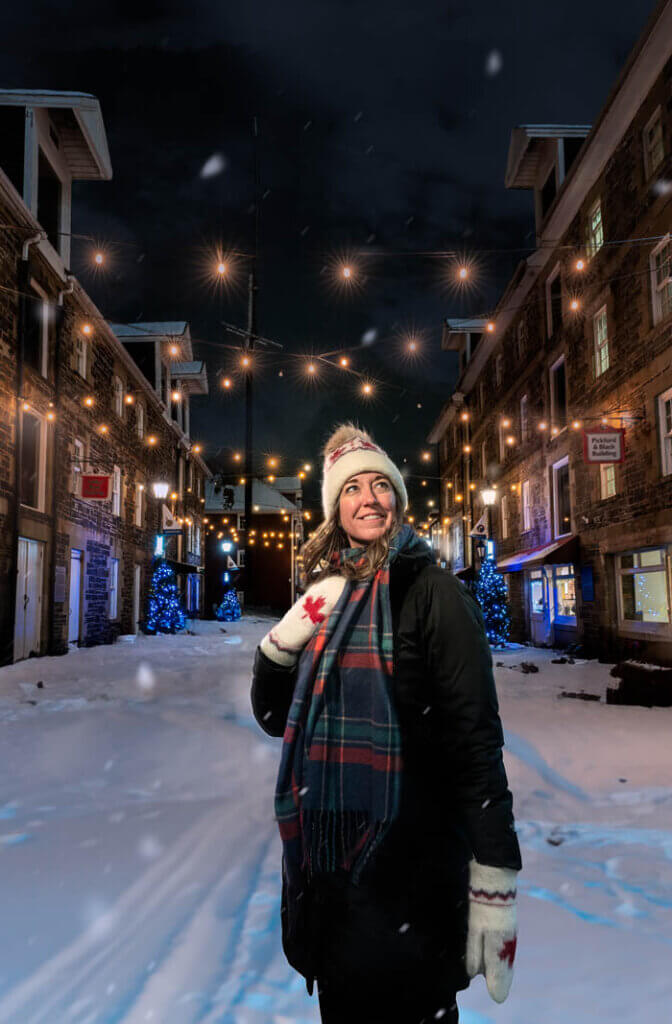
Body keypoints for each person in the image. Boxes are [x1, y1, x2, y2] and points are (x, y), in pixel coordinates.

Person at [251, 424, 522, 1023]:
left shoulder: (434, 594)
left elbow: (475, 740)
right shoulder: (328, 597)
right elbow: (276, 720)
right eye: (352, 488)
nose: (368, 498)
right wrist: (278, 647)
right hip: (331, 883)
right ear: (335, 508)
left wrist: (495, 879)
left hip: (411, 878)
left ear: (397, 499)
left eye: (381, 484)